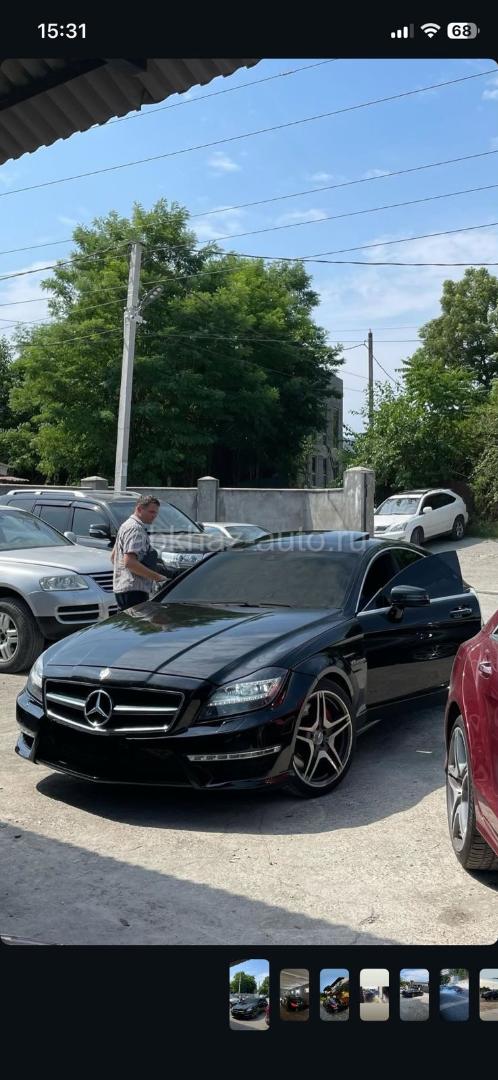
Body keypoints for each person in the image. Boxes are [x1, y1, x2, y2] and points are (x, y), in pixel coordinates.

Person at [111, 494, 168, 610]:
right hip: (134, 590)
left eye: (156, 513)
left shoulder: (126, 525)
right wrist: (158, 577)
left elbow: (113, 557)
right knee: (137, 622)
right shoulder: (135, 529)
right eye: (151, 512)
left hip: (124, 589)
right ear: (139, 509)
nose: (154, 516)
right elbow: (129, 563)